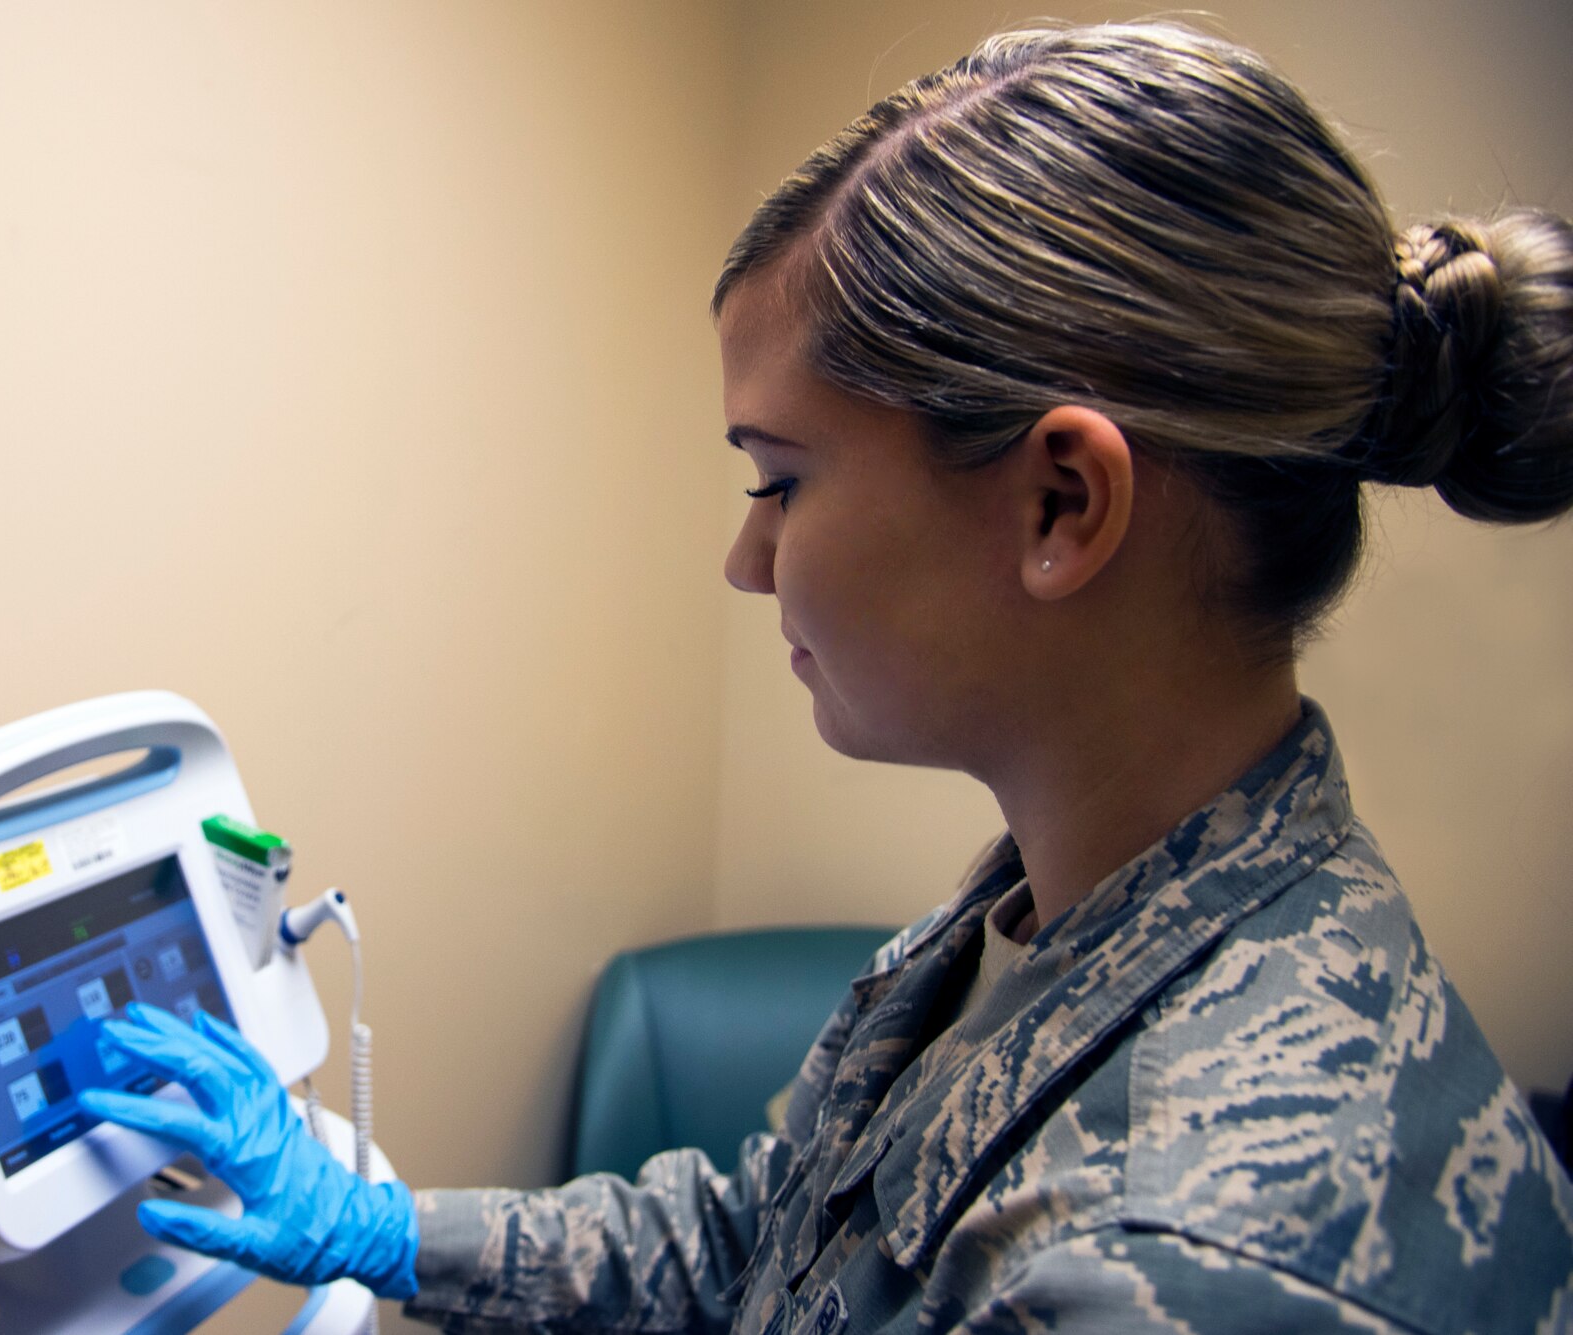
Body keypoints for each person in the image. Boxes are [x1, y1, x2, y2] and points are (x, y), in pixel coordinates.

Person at [80, 21, 1573, 1334]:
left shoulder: (1177, 1267)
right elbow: (777, 1234)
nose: (747, 562)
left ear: (1062, 505)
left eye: (779, 481)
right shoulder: (1070, 915)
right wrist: (392, 1234)